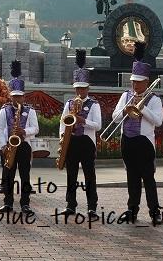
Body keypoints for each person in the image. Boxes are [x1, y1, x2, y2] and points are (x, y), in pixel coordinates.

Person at [112, 41, 163, 225]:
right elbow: (115, 117)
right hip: (127, 140)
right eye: (133, 81)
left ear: (146, 82)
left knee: (148, 178)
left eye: (139, 82)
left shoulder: (154, 99)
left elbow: (158, 121)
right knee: (131, 177)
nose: (135, 84)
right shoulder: (126, 96)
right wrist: (126, 110)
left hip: (145, 142)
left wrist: (142, 108)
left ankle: (154, 211)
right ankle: (132, 210)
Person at [59, 49, 101, 219]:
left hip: (87, 142)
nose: (79, 92)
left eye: (82, 89)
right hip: (72, 141)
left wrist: (83, 121)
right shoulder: (69, 103)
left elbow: (98, 125)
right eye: (77, 88)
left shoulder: (94, 104)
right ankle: (70, 205)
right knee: (71, 174)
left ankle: (92, 207)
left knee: (89, 174)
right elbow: (63, 121)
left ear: (87, 88)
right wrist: (63, 138)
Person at [0, 60, 38, 215]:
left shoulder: (30, 111)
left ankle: (25, 204)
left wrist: (24, 131)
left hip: (24, 145)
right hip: (8, 145)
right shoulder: (5, 110)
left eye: (19, 97)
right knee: (8, 175)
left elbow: (36, 128)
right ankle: (8, 203)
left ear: (23, 97)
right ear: (11, 97)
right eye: (14, 97)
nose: (17, 100)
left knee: (25, 175)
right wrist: (3, 145)